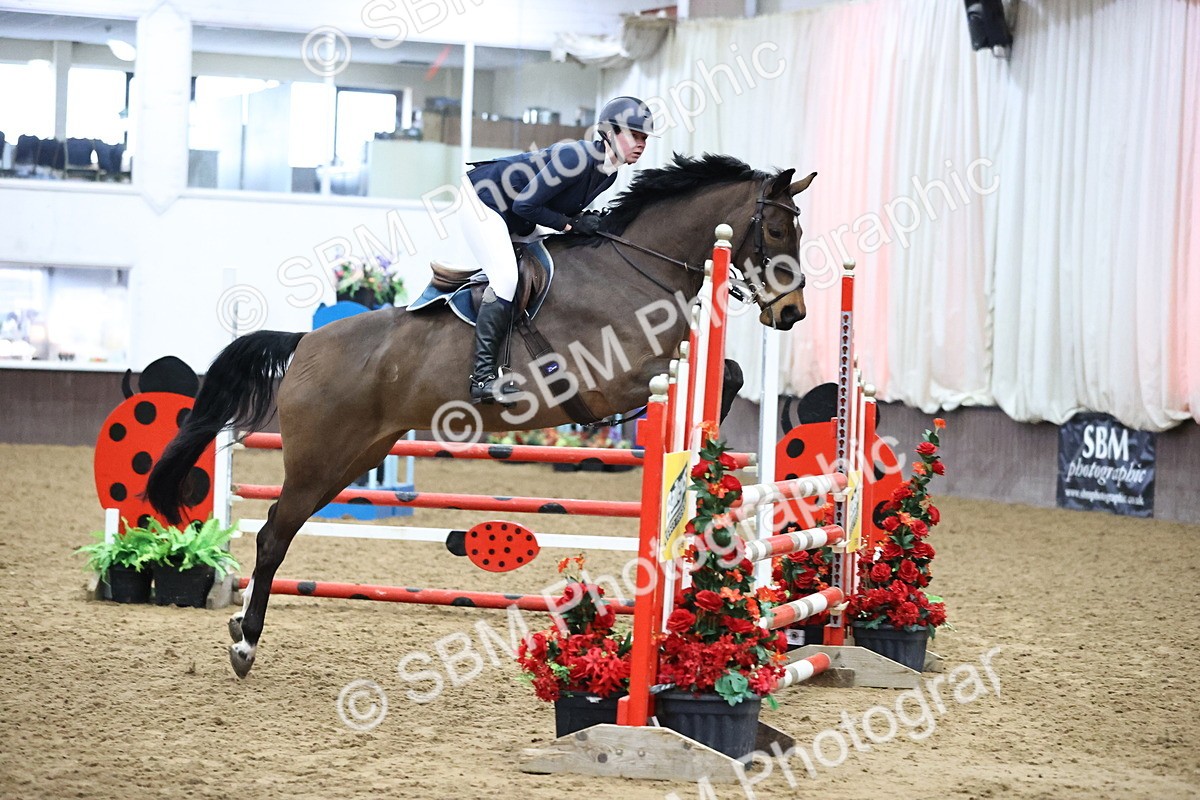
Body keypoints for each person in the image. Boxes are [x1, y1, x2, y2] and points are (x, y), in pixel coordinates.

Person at [459, 96, 655, 405]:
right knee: (506, 279)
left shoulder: (610, 173)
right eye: (634, 135)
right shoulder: (573, 156)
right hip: (484, 201)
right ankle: (481, 379)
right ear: (609, 133)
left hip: (516, 215)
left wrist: (576, 224)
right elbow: (526, 204)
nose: (641, 143)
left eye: (644, 137)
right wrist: (570, 225)